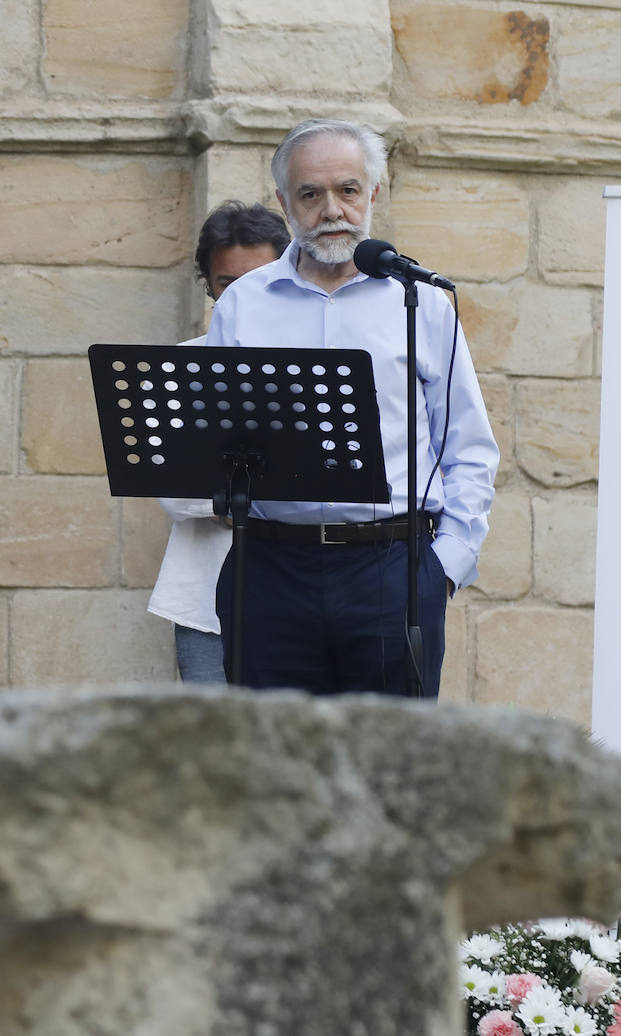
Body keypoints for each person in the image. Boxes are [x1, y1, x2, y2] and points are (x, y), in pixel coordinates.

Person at [205, 118, 499, 696]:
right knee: (270, 764)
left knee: (391, 768)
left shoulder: (422, 304)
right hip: (270, 571)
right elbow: (216, 439)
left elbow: (467, 445)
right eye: (310, 194)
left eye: (348, 190)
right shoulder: (243, 303)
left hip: (391, 568)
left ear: (374, 195)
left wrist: (444, 567)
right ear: (285, 203)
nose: (331, 209)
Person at [147, 201, 292, 682]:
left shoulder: (319, 365)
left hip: (303, 596)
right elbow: (172, 489)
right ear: (208, 284)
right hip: (204, 598)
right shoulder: (179, 366)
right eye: (229, 282)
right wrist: (267, 496)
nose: (244, 293)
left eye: (260, 275)